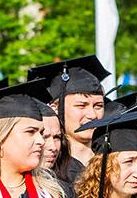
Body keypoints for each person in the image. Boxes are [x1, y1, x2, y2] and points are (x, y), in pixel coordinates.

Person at [31, 55, 108, 185]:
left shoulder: (111, 161)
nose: (92, 115)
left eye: (98, 106)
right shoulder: (46, 167)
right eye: (81, 105)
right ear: (55, 109)